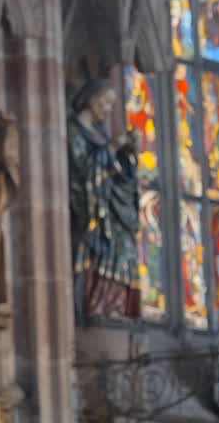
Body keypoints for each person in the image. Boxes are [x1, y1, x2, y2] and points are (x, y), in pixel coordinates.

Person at [68, 78, 141, 320]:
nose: (109, 109)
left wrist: (126, 154)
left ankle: (117, 308)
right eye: (106, 103)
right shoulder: (73, 131)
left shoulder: (100, 134)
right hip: (92, 212)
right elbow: (81, 170)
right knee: (103, 248)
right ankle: (98, 306)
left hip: (112, 209)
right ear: (92, 99)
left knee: (126, 248)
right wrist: (110, 150)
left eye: (112, 104)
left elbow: (116, 174)